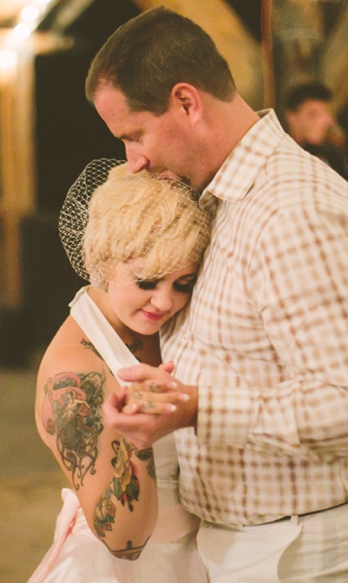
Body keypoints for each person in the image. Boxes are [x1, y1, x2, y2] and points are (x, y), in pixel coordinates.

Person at [86, 7, 348, 582]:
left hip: (303, 544)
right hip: (254, 539)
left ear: (187, 102)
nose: (131, 159)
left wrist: (199, 408)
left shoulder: (293, 211)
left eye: (134, 135)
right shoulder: (221, 198)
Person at [29, 159, 212, 582]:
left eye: (182, 284)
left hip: (201, 554)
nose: (165, 303)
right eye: (148, 281)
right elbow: (123, 542)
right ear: (99, 256)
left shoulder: (161, 322)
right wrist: (140, 435)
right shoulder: (73, 372)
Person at [283, 81, 348, 180]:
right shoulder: (283, 158)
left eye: (327, 114)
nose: (323, 122)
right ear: (291, 118)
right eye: (313, 114)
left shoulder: (330, 156)